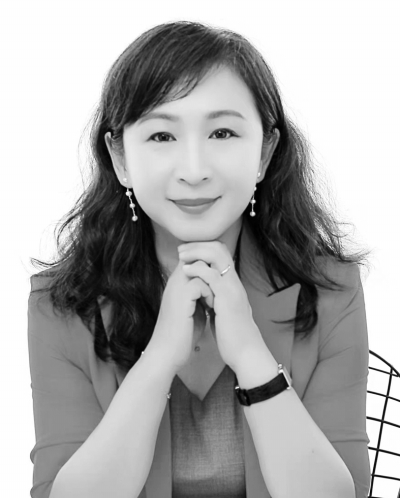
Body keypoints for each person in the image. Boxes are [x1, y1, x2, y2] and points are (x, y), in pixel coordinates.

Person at [28, 20, 373, 498]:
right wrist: (158, 360)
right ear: (120, 158)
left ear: (265, 153)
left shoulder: (332, 290)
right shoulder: (63, 305)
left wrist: (251, 354)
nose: (193, 171)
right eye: (161, 136)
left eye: (223, 132)